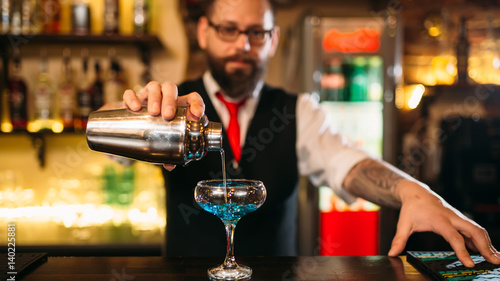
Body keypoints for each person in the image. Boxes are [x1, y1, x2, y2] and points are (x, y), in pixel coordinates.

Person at [120, 0, 500, 267]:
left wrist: (410, 191)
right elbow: (110, 146)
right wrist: (138, 114)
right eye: (228, 30)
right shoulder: (171, 111)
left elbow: (347, 162)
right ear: (203, 32)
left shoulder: (298, 110)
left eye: (257, 32)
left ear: (274, 39)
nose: (242, 45)